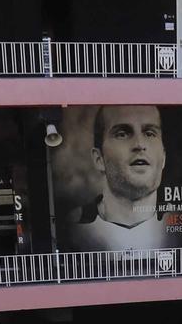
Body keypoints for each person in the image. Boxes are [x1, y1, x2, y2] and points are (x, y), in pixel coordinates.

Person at [65, 106, 169, 253]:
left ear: (163, 158)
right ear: (99, 159)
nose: (139, 145)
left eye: (150, 133)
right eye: (122, 134)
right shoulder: (71, 227)